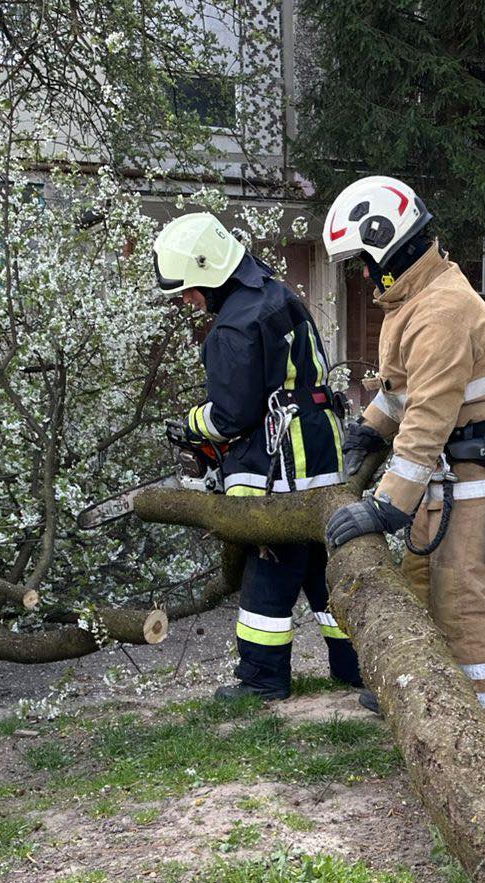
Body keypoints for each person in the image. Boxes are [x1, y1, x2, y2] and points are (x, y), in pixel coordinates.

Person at [320, 177, 485, 737]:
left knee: (460, 594)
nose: (363, 274)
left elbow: (427, 420)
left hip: (481, 466)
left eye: (363, 261)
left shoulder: (441, 311)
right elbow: (402, 392)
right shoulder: (415, 297)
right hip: (455, 463)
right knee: (416, 578)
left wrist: (385, 507)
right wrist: (369, 430)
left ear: (387, 247)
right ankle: (417, 685)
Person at [152, 211, 361, 701]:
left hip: (277, 468)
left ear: (208, 271)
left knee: (268, 569)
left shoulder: (234, 327)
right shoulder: (278, 296)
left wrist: (191, 425)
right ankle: (355, 664)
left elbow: (231, 416)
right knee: (320, 566)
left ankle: (262, 679)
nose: (186, 300)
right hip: (321, 455)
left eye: (187, 290)